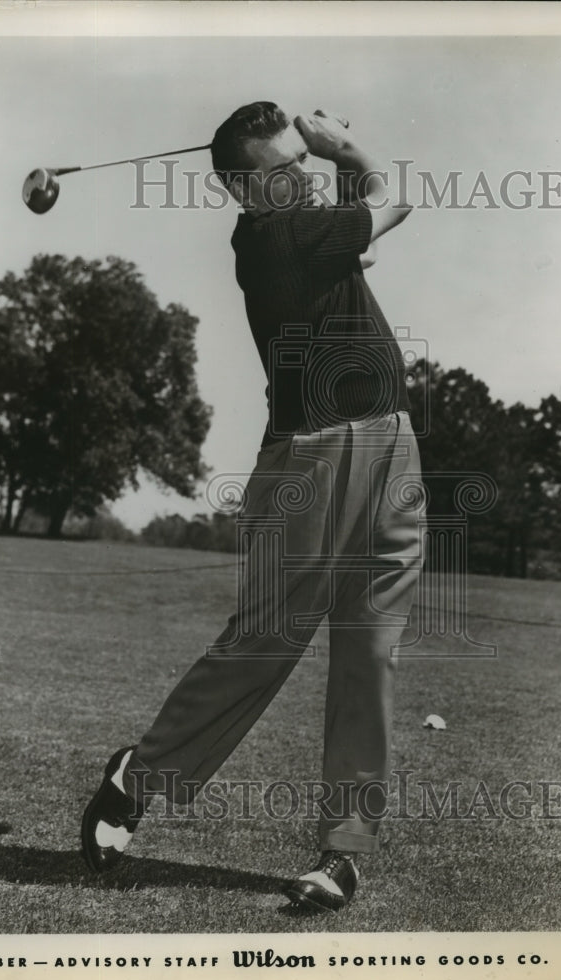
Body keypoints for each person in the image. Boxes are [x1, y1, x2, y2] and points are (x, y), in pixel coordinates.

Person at [81, 102, 423, 913]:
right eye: (282, 171)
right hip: (314, 456)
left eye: (301, 168)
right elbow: (394, 194)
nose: (300, 182)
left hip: (394, 447)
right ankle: (142, 772)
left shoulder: (302, 226)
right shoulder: (272, 238)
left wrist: (319, 162)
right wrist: (341, 144)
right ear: (243, 189)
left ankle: (342, 853)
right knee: (267, 641)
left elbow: (361, 215)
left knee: (369, 656)